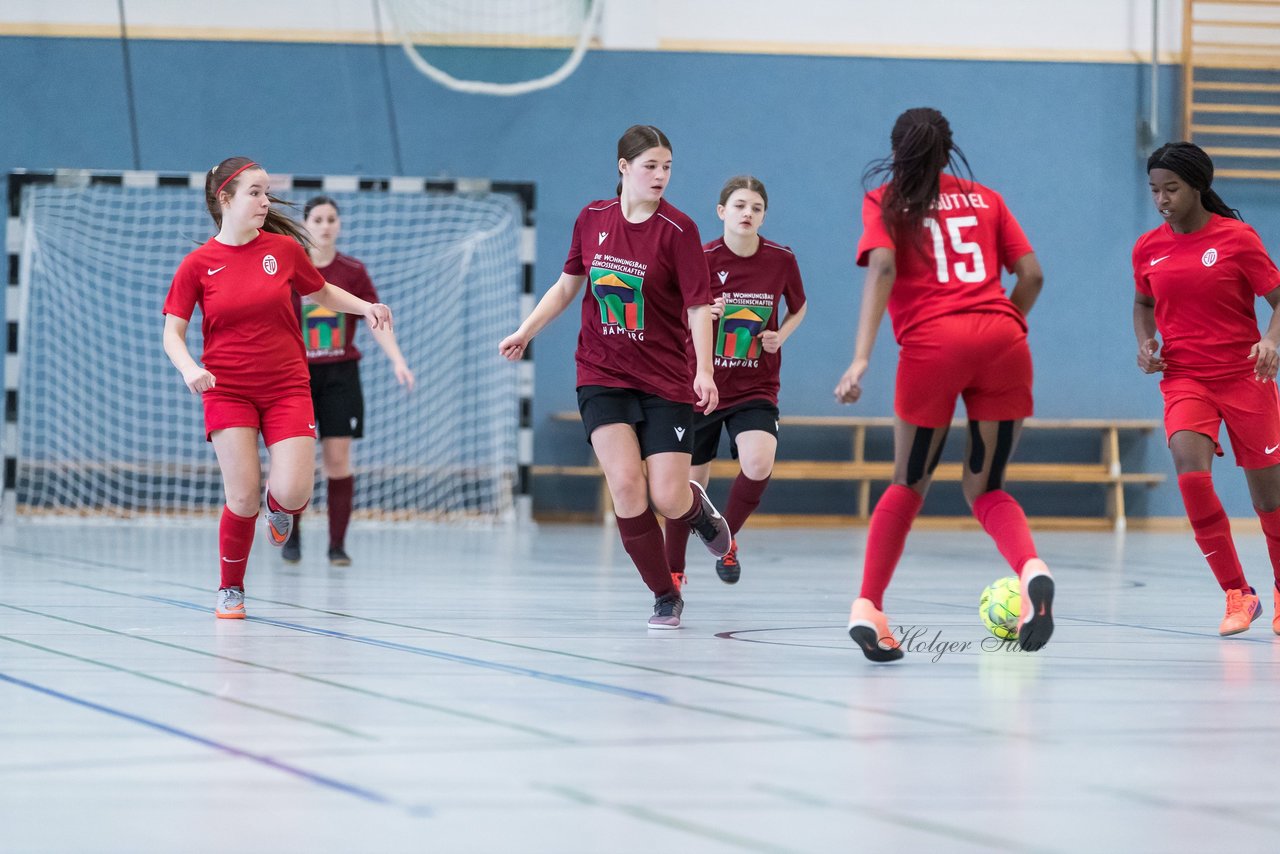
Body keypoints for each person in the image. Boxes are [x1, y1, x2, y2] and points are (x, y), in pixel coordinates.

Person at [834, 107, 1054, 661]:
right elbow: (1031, 276)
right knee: (987, 488)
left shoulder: (885, 200)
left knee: (908, 484)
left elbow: (882, 268)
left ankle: (869, 606)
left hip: (932, 347)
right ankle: (1032, 572)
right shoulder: (987, 198)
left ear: (898, 149)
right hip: (1004, 340)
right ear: (946, 148)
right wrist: (1006, 325)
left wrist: (861, 359)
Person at [499, 124, 731, 629]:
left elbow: (698, 308)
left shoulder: (680, 230)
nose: (661, 176)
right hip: (601, 372)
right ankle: (664, 594)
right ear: (623, 167)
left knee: (668, 495)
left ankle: (700, 514)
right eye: (650, 166)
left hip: (665, 377)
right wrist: (525, 331)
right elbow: (565, 289)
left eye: (667, 167)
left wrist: (707, 373)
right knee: (626, 486)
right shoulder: (592, 218)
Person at [162, 157, 393, 619]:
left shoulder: (284, 251)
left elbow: (322, 291)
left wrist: (365, 307)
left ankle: (278, 507)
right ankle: (231, 588)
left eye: (267, 192)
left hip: (287, 384)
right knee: (242, 496)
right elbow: (173, 333)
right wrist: (189, 367)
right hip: (226, 389)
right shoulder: (198, 265)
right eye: (254, 192)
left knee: (291, 491)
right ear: (224, 199)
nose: (266, 201)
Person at [1133, 141, 1280, 637]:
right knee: (1190, 473)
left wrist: (1270, 341)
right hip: (1185, 379)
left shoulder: (1238, 239)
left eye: (1171, 189)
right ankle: (1238, 593)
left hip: (1245, 378)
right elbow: (1142, 303)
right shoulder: (1148, 248)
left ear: (1198, 186)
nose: (1162, 200)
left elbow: (1279, 300)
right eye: (1154, 190)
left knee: (1269, 498)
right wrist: (1145, 342)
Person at [663, 176, 807, 585]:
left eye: (756, 208)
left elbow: (799, 307)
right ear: (722, 212)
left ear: (763, 216)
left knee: (759, 462)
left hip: (754, 388)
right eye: (740, 205)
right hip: (700, 385)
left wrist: (782, 335)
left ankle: (727, 540)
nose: (748, 213)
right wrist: (701, 314)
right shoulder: (701, 257)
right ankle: (673, 571)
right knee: (686, 487)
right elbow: (671, 310)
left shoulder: (780, 259)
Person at [279, 195, 416, 566]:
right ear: (306, 224)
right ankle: (292, 538)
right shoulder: (290, 267)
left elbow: (376, 319)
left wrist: (397, 361)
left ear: (339, 225)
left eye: (331, 219)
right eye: (318, 219)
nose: (325, 226)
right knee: (298, 464)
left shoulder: (353, 271)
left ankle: (337, 546)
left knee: (338, 461)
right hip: (296, 376)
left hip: (341, 376)